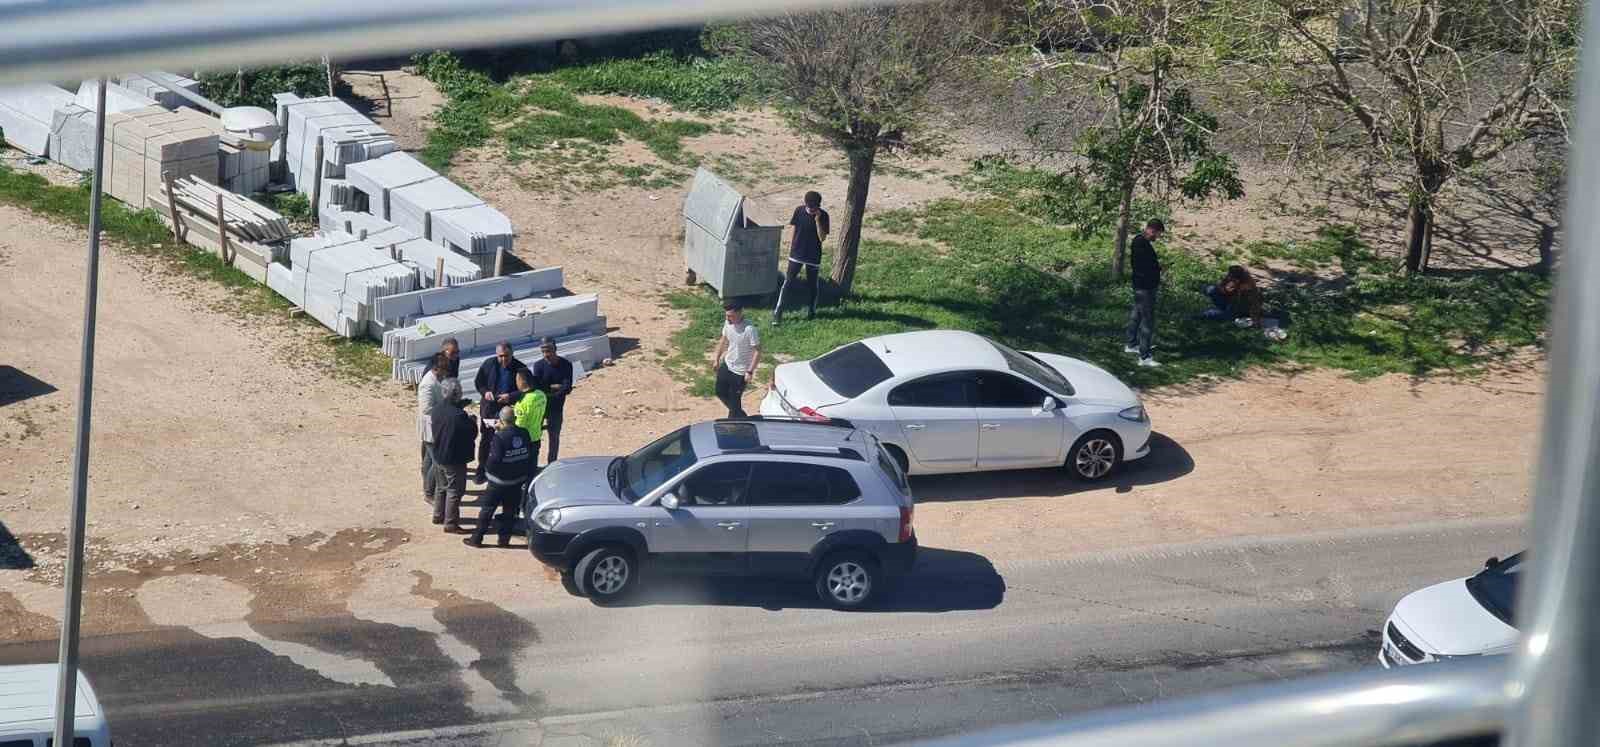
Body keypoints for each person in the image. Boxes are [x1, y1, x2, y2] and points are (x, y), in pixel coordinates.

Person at [466, 406, 535, 548]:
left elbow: (494, 461)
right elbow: (528, 454)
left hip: (498, 482)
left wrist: (488, 472)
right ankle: (504, 540)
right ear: (515, 419)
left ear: (501, 421)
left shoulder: (499, 437)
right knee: (509, 512)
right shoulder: (524, 433)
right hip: (517, 481)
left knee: (487, 510)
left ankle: (477, 539)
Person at [472, 342, 531, 484]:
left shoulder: (520, 368)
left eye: (506, 356)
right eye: (500, 356)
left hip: (508, 410)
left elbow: (526, 388)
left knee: (507, 439)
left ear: (512, 354)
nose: (503, 359)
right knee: (486, 439)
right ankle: (482, 469)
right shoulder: (489, 364)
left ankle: (505, 468)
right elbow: (479, 382)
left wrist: (510, 396)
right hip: (489, 409)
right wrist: (485, 392)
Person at [773, 191, 829, 325]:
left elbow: (822, 238)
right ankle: (778, 312)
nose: (811, 209)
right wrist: (791, 249)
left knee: (812, 284)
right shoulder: (799, 211)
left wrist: (817, 221)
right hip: (797, 254)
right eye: (810, 207)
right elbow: (794, 229)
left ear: (818, 206)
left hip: (813, 255)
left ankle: (811, 310)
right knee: (788, 283)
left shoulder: (824, 216)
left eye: (814, 207)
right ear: (805, 204)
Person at [416, 353, 461, 505]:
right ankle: (429, 493)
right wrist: (446, 409)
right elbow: (426, 409)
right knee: (436, 463)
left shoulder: (437, 379)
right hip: (431, 428)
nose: (447, 372)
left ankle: (428, 489)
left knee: (430, 460)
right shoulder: (428, 384)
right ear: (436, 368)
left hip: (435, 427)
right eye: (444, 369)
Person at [1124, 219, 1165, 368]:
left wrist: (1156, 267)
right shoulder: (1141, 244)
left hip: (1141, 286)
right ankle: (1144, 356)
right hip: (1145, 288)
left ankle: (1131, 344)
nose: (1157, 237)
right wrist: (1158, 269)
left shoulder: (1139, 241)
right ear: (1152, 230)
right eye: (1158, 234)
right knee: (1147, 321)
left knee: (1136, 315)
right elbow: (1145, 267)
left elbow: (1146, 264)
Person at [430, 400, 476, 532]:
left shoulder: (437, 408)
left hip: (438, 455)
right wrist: (472, 421)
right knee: (455, 490)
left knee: (441, 487)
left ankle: (438, 515)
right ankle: (450, 523)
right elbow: (471, 433)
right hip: (454, 459)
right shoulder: (459, 416)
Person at [710, 302, 761, 418]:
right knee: (720, 392)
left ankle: (735, 422)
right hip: (727, 364)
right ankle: (741, 416)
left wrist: (750, 371)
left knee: (734, 402)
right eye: (726, 315)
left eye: (730, 316)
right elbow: (723, 341)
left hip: (740, 372)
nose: (727, 318)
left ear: (739, 313)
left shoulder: (749, 329)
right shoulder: (728, 323)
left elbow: (758, 351)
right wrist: (716, 359)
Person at [530, 337, 573, 464]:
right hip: (540, 407)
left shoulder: (565, 365)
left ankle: (552, 464)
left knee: (554, 439)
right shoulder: (538, 366)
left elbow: (567, 387)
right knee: (535, 437)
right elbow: (537, 388)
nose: (546, 354)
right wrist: (555, 387)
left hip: (556, 408)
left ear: (555, 349)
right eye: (543, 351)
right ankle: (533, 465)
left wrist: (550, 390)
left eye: (548, 350)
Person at [512, 369, 550, 451]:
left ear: (523, 381)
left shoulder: (522, 402)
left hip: (525, 440)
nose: (516, 383)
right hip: (537, 436)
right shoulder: (541, 394)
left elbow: (519, 425)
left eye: (517, 380)